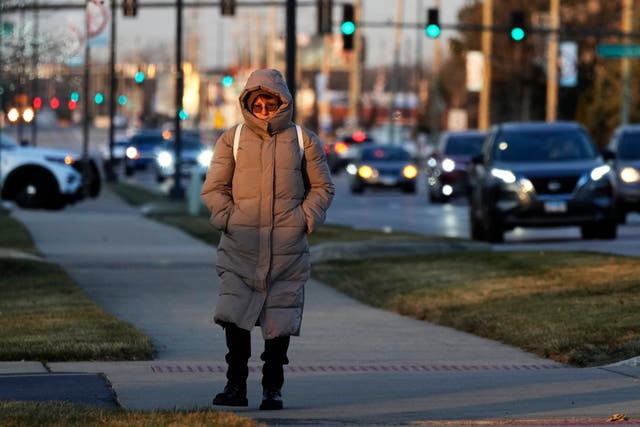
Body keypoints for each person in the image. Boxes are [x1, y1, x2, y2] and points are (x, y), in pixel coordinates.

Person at [201, 68, 334, 411]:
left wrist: (305, 219)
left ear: (282, 102)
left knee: (279, 322)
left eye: (269, 102)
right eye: (257, 103)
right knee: (235, 317)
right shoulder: (232, 140)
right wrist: (228, 218)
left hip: (286, 248)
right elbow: (214, 188)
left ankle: (272, 388)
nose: (263, 109)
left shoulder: (305, 141)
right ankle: (235, 385)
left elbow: (322, 187)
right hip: (240, 245)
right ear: (247, 103)